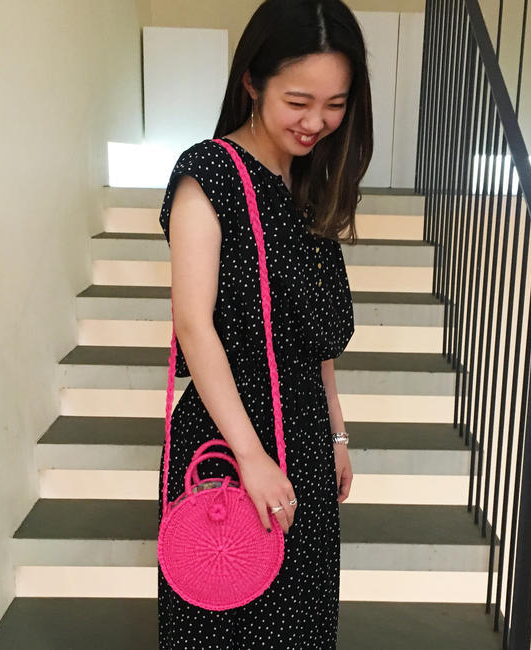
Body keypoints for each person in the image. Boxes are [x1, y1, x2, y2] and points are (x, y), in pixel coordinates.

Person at [157, 0, 373, 646]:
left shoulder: (307, 186)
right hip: (232, 442)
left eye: (335, 105)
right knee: (229, 621)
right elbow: (194, 325)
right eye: (298, 101)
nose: (316, 122)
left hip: (303, 439)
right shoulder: (209, 175)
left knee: (301, 623)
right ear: (253, 81)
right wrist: (252, 458)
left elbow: (314, 335)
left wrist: (336, 433)